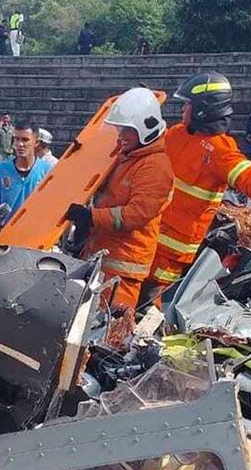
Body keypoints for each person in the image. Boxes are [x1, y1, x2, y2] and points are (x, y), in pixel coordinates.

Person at [145, 74, 251, 298]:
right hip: (148, 232)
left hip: (173, 249)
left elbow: (250, 178)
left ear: (203, 110)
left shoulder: (221, 150)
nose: (183, 109)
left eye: (188, 104)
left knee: (152, 301)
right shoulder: (176, 134)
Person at [64, 87, 172, 311]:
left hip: (123, 272)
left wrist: (90, 217)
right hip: (102, 260)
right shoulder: (128, 157)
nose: (120, 135)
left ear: (145, 130)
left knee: (107, 334)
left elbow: (135, 215)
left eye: (126, 130)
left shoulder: (155, 167)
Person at [0, 121, 51, 215]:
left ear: (36, 142)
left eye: (25, 140)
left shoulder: (47, 170)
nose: (20, 144)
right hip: (6, 228)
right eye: (16, 139)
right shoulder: (1, 170)